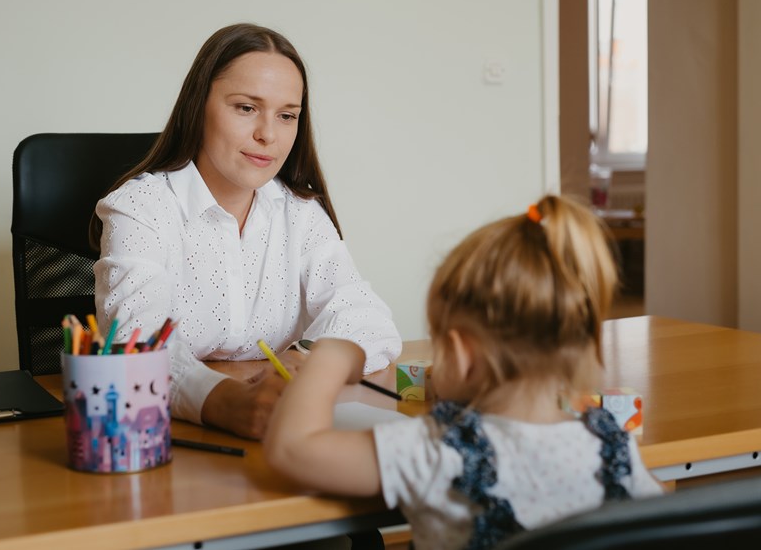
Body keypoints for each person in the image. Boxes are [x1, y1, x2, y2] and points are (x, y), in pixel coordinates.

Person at [264, 195, 664, 550]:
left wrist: (329, 355)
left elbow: (290, 450)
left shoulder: (437, 451)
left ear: (461, 354)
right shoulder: (615, 446)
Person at [90, 23, 402, 440]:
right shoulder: (140, 208)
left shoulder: (301, 212)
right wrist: (223, 402)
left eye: (287, 115)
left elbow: (369, 320)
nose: (268, 135)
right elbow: (135, 344)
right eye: (246, 108)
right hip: (158, 437)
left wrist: (310, 361)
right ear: (198, 106)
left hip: (280, 428)